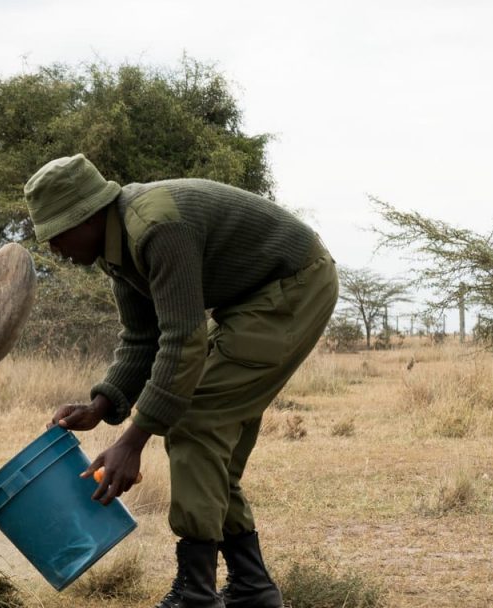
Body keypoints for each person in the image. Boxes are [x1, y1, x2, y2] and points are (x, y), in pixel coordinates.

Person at [23, 154, 338, 608]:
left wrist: (131, 443)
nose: (54, 248)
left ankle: (196, 595)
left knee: (195, 422)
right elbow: (141, 338)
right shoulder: (118, 254)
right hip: (252, 300)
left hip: (294, 286)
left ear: (87, 216)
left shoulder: (155, 229)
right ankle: (251, 587)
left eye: (56, 232)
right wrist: (102, 405)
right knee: (208, 446)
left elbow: (183, 343)